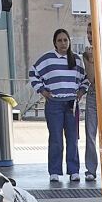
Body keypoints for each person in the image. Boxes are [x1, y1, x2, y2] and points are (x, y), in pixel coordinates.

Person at [29, 27, 87, 187]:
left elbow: (85, 79)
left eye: (65, 40)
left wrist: (81, 91)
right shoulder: (47, 59)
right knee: (55, 139)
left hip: (71, 104)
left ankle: (74, 170)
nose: (63, 43)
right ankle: (54, 171)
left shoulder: (76, 59)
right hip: (54, 103)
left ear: (69, 42)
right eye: (60, 40)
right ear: (55, 43)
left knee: (73, 138)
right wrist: (42, 91)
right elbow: (33, 73)